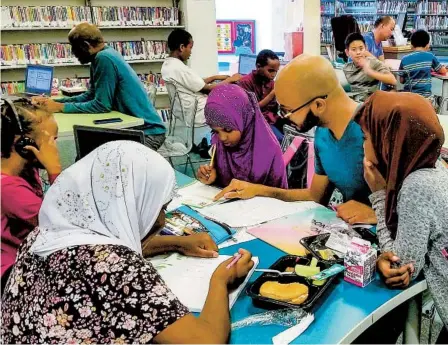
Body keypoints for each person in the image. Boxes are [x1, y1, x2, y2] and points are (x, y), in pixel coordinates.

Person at [1, 141, 255, 344]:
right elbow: (204, 341)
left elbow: (97, 252)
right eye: (161, 207)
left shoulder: (45, 232)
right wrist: (221, 282)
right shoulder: (117, 268)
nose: (162, 219)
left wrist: (177, 243)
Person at [214, 55, 377, 225]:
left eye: (287, 111)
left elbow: (406, 199)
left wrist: (378, 214)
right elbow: (315, 196)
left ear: (319, 105)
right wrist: (257, 189)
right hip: (355, 233)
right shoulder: (323, 133)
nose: (285, 117)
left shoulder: (375, 129)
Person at [356, 91, 448, 344]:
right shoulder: (435, 166)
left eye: (366, 137)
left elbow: (401, 266)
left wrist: (378, 194)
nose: (362, 145)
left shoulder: (417, 185)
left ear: (388, 139)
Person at [32, 23, 166, 150]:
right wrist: (54, 102)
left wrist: (60, 108)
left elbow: (101, 105)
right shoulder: (102, 56)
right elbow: (91, 95)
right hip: (133, 129)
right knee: (88, 154)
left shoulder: (104, 59)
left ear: (86, 45)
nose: (73, 53)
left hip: (147, 132)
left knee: (94, 158)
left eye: (74, 48)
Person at [1, 97, 61, 286]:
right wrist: (54, 170)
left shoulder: (23, 171)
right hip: (12, 277)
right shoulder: (9, 189)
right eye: (52, 141)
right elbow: (65, 221)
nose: (55, 148)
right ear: (24, 143)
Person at [197, 84, 287, 189]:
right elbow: (221, 183)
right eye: (215, 131)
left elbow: (279, 195)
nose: (222, 138)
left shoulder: (269, 150)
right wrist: (212, 178)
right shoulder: (219, 145)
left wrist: (255, 190)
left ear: (245, 119)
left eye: (228, 129)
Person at [162, 28, 241, 125]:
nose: (190, 52)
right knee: (236, 104)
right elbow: (207, 89)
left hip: (184, 111)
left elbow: (192, 82)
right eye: (190, 48)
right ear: (182, 47)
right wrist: (231, 79)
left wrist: (214, 77)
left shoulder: (168, 65)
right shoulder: (179, 68)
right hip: (198, 112)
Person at [238, 49, 289, 143]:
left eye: (276, 71)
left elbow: (275, 107)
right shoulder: (245, 83)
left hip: (271, 119)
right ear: (258, 66)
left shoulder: (272, 83)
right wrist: (272, 94)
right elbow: (251, 110)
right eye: (270, 71)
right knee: (279, 140)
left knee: (297, 130)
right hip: (255, 122)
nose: (273, 75)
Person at [343, 33, 397, 98]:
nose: (358, 52)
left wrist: (369, 72)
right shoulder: (346, 68)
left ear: (366, 48)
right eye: (354, 49)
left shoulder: (373, 63)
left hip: (369, 103)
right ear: (347, 52)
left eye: (361, 48)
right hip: (351, 102)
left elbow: (393, 80)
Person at [399, 29, 447, 98]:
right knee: (437, 100)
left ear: (411, 45)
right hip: (425, 98)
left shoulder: (404, 59)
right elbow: (443, 71)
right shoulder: (430, 56)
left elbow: (401, 80)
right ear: (427, 45)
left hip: (408, 97)